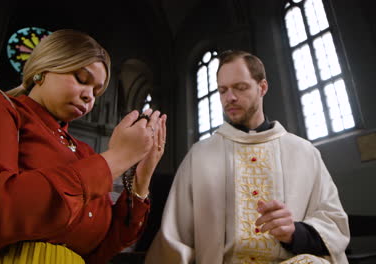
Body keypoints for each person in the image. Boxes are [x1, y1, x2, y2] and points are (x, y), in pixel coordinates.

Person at [0, 29, 167, 264]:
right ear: (43, 69)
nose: (89, 96)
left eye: (96, 91)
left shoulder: (84, 153)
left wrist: (142, 175)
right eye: (82, 79)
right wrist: (117, 157)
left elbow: (101, 248)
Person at [146, 50, 349, 264]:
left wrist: (294, 233)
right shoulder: (200, 156)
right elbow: (174, 238)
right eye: (223, 90)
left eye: (240, 87)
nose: (230, 98)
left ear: (262, 87)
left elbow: (334, 225)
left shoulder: (304, 152)